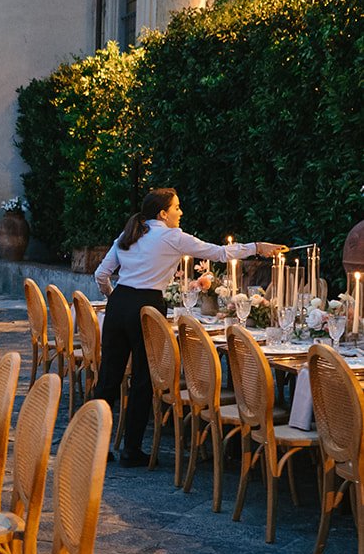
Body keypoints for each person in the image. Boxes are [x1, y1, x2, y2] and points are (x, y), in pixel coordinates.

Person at [93, 188, 284, 467]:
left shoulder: (129, 234)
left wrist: (114, 296)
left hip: (120, 303)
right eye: (177, 207)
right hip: (147, 305)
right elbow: (218, 253)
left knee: (109, 375)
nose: (180, 212)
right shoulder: (172, 237)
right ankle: (131, 450)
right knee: (144, 378)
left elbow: (101, 274)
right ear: (163, 213)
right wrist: (256, 247)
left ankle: (93, 442)